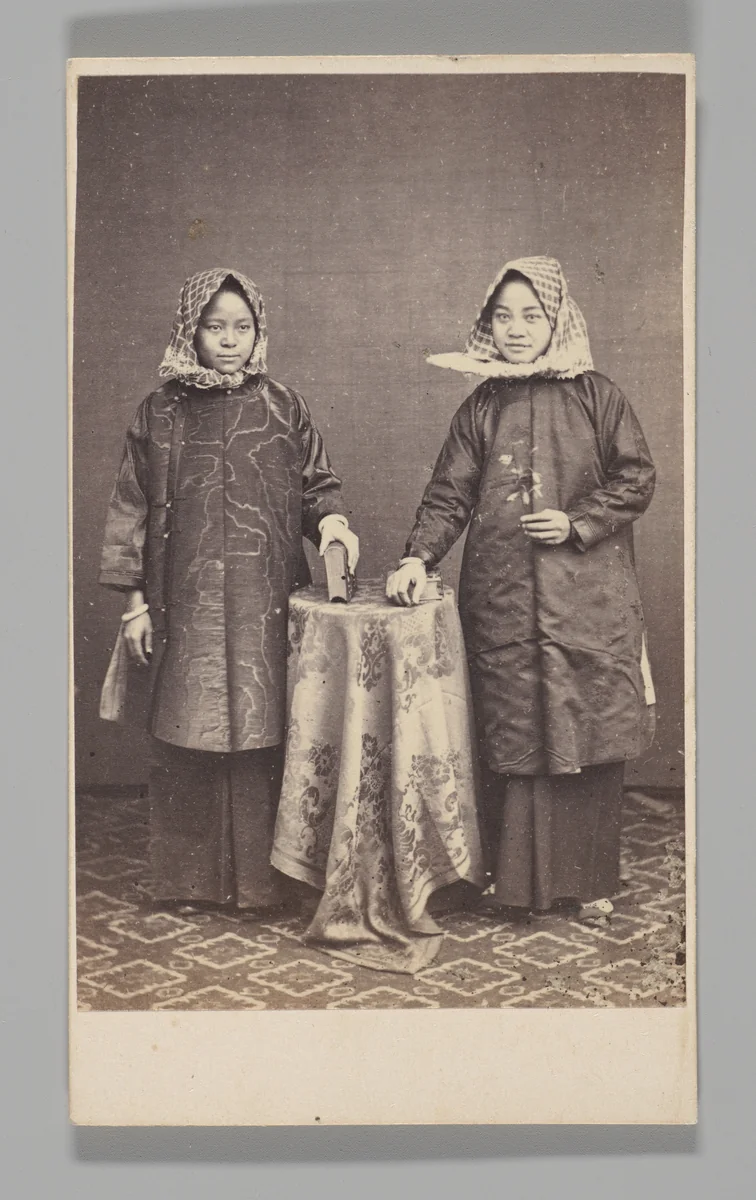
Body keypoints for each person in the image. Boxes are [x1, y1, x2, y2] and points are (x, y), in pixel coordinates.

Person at [386, 256, 656, 920]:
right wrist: (417, 558)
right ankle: (510, 885)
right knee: (511, 729)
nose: (516, 328)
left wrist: (577, 522)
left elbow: (637, 478)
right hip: (503, 596)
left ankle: (586, 881)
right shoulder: (482, 405)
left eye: (531, 315)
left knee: (587, 727)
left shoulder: (599, 396)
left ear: (557, 321)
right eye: (503, 316)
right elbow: (448, 496)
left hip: (588, 599)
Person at [100, 268, 358, 916]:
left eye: (242, 327)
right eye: (214, 327)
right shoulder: (159, 411)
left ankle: (267, 885)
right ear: (191, 331)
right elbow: (130, 507)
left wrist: (331, 523)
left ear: (258, 331)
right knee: (187, 729)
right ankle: (188, 882)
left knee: (266, 731)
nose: (229, 340)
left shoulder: (284, 406)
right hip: (181, 603)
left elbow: (317, 485)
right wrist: (133, 604)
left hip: (264, 599)